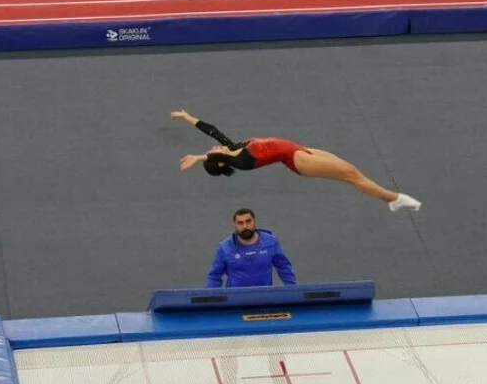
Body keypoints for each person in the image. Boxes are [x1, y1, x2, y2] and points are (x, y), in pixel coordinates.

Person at [171, 109, 421, 212]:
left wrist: (187, 117)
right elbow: (216, 155)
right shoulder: (240, 161)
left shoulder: (234, 148)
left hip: (300, 149)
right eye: (213, 153)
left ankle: (391, 199)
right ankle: (394, 199)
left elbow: (211, 130)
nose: (214, 147)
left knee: (351, 170)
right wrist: (202, 157)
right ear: (220, 163)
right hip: (295, 159)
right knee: (351, 176)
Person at [206, 208, 296, 288]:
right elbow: (214, 276)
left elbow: (284, 267)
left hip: (264, 300)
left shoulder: (270, 242)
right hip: (235, 302)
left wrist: (293, 290)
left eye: (248, 221)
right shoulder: (225, 248)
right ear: (235, 225)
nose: (245, 226)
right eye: (240, 223)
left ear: (254, 221)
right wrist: (210, 300)